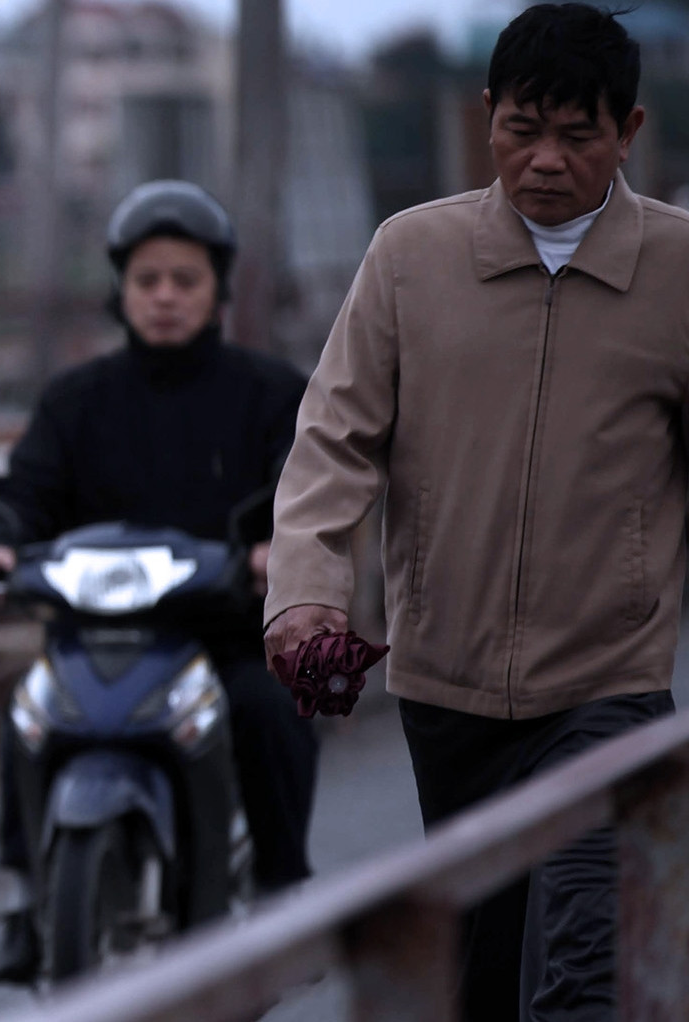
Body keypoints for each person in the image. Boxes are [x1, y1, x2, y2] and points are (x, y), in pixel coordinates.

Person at [264, 6, 683, 1019]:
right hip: (445, 684)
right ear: (486, 114)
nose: (543, 161)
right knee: (482, 978)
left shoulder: (678, 271)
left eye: (576, 136)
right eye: (521, 129)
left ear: (626, 132)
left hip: (608, 682)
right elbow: (333, 434)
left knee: (583, 974)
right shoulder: (411, 256)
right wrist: (305, 591)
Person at [0, 181, 317, 984]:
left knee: (268, 707)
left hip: (221, 634)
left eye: (184, 280)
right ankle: (27, 899)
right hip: (95, 637)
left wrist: (278, 546)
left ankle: (281, 891)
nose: (164, 297)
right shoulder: (75, 399)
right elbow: (26, 492)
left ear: (218, 292)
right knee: (28, 716)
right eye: (147, 280)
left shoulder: (269, 394)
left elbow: (305, 487)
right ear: (120, 290)